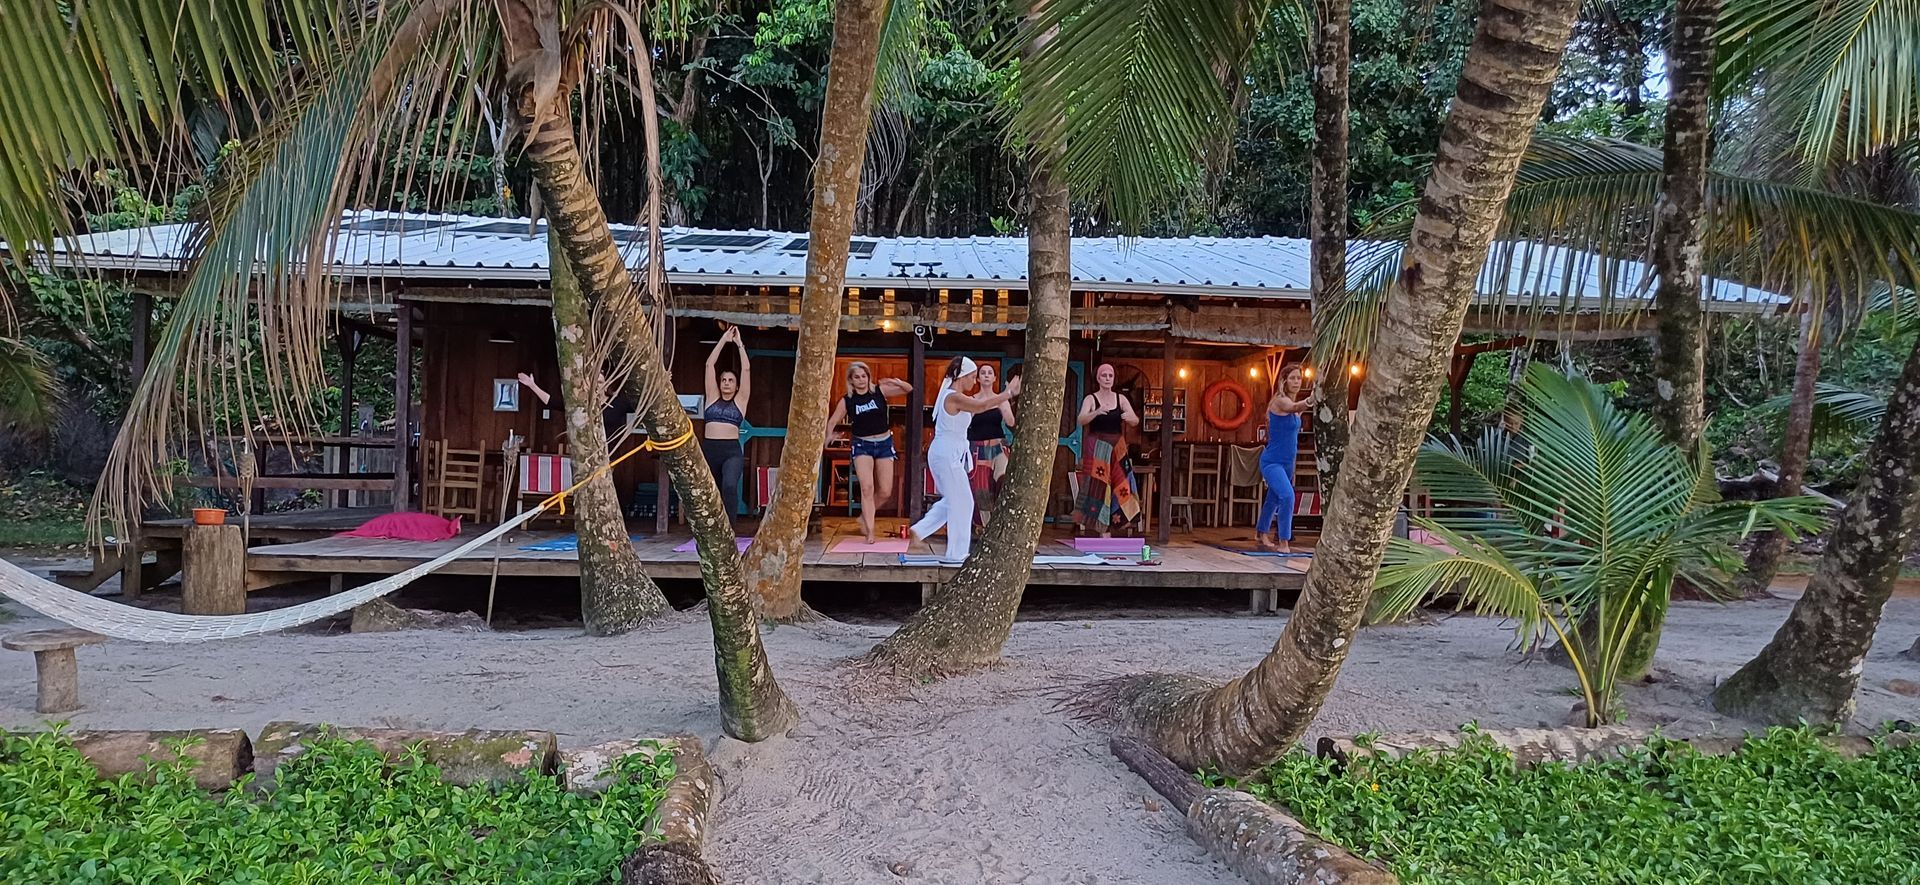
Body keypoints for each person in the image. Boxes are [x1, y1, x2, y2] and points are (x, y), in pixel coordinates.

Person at [910, 357, 1020, 562]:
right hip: (946, 453)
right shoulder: (953, 397)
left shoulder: (954, 395)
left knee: (954, 500)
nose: (974, 381)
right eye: (972, 376)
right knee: (964, 502)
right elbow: (981, 406)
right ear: (963, 376)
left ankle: (919, 532)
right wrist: (1008, 393)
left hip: (950, 454)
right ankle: (957, 554)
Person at [825, 361, 913, 543]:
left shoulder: (879, 391)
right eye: (857, 377)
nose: (861, 380)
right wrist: (829, 435)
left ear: (868, 377)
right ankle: (870, 532)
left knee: (886, 491)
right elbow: (832, 420)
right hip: (862, 445)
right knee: (867, 488)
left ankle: (864, 516)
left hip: (884, 443)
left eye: (864, 376)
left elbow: (908, 389)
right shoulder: (847, 400)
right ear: (851, 380)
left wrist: (894, 381)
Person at [1075, 363, 1141, 537]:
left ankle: (1121, 524)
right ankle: (1100, 529)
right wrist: (1096, 412)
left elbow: (1135, 420)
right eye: (1104, 375)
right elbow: (1081, 419)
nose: (1107, 378)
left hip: (1117, 447)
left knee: (1122, 482)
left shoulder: (1121, 399)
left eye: (1110, 375)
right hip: (1097, 445)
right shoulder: (1091, 399)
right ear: (1098, 378)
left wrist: (1131, 418)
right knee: (1099, 485)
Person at [1257, 365, 1314, 553]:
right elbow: (1295, 407)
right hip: (1272, 461)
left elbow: (1297, 412)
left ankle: (1261, 532)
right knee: (1288, 496)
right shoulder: (1280, 401)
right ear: (1284, 381)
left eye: (1299, 378)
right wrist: (1312, 398)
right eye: (1293, 378)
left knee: (1273, 498)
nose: (1297, 382)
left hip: (1288, 462)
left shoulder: (1292, 405)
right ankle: (1284, 542)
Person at [700, 325, 750, 523]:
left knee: (729, 485)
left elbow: (746, 368)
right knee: (711, 491)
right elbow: (709, 365)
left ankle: (730, 526)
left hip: (731, 451)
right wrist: (723, 340)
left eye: (731, 380)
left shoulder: (740, 401)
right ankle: (711, 526)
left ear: (737, 386)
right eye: (724, 380)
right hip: (710, 449)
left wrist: (739, 345)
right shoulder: (712, 397)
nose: (727, 383)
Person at [967, 363, 1017, 526]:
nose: (987, 375)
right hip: (978, 445)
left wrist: (1009, 398)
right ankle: (984, 525)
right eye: (983, 373)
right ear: (978, 378)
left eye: (990, 373)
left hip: (997, 444)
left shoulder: (1001, 400)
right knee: (981, 486)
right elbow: (967, 423)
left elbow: (1010, 421)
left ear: (995, 378)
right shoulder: (971, 400)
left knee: (1003, 480)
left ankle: (1002, 521)